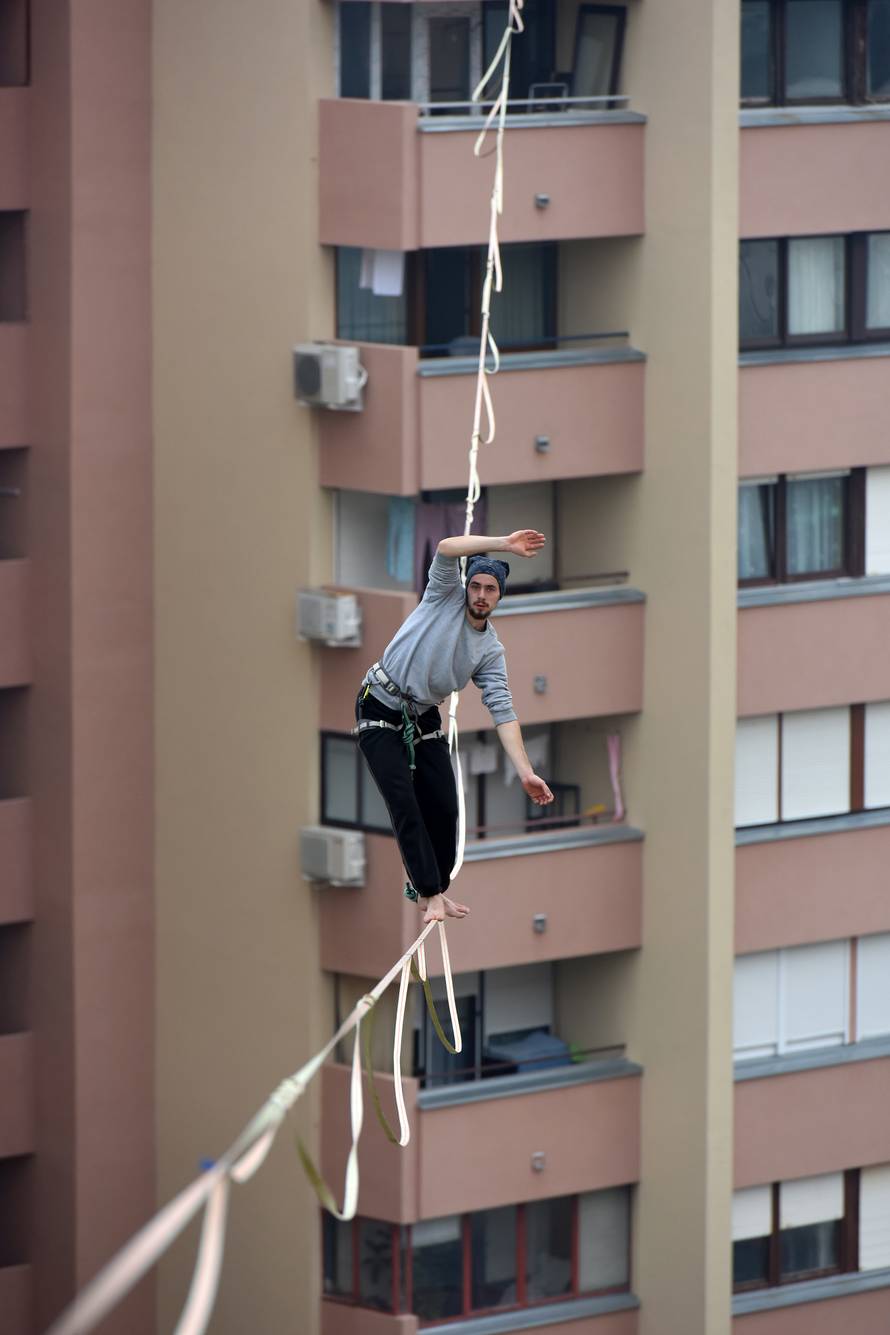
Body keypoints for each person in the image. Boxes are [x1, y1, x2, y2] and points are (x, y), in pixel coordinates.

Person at [354, 530, 555, 924]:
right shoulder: (442, 597)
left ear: (499, 598)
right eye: (476, 586)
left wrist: (525, 771)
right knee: (404, 801)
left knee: (446, 807)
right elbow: (446, 548)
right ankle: (427, 892)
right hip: (379, 702)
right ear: (466, 588)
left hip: (422, 713)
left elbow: (504, 713)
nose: (481, 595)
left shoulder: (490, 652)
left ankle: (436, 889)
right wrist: (503, 544)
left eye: (490, 590)